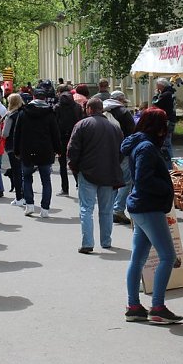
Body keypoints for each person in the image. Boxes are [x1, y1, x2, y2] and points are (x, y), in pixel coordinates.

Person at [120, 107, 183, 324]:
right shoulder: (146, 147)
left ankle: (134, 306)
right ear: (158, 127)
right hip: (148, 207)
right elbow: (145, 179)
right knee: (168, 256)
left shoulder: (140, 143)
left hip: (141, 206)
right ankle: (157, 306)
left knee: (138, 257)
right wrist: (166, 189)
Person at [67, 98, 123, 253]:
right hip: (109, 173)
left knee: (86, 209)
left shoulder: (82, 125)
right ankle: (106, 241)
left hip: (87, 172)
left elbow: (72, 150)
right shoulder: (115, 128)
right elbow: (121, 152)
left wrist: (75, 168)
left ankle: (87, 243)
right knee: (106, 210)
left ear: (89, 109)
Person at [12, 87, 60, 218]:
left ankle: (30, 205)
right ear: (45, 99)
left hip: (27, 150)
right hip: (46, 151)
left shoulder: (23, 113)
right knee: (46, 180)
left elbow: (17, 133)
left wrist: (16, 150)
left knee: (26, 177)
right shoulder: (50, 114)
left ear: (33, 97)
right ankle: (45, 209)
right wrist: (58, 150)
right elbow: (55, 134)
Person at [104, 90, 136, 225]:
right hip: (123, 151)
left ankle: (109, 208)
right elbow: (132, 133)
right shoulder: (124, 113)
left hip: (106, 151)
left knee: (112, 180)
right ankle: (118, 209)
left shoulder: (103, 109)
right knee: (126, 181)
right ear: (120, 100)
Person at [53, 88, 83, 196]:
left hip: (61, 138)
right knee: (75, 161)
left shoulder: (57, 107)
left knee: (62, 164)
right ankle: (79, 184)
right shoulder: (77, 107)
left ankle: (64, 189)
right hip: (74, 137)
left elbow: (54, 124)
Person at [2, 93, 25, 206]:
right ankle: (27, 196)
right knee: (25, 171)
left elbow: (5, 133)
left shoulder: (10, 115)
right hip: (25, 145)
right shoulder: (25, 113)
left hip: (12, 146)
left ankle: (19, 198)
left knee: (16, 172)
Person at [152, 78, 177, 170]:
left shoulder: (165, 94)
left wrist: (156, 94)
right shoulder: (172, 92)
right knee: (168, 142)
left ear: (161, 85)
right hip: (172, 120)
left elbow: (155, 104)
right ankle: (171, 163)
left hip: (166, 121)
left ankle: (169, 166)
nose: (156, 87)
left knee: (166, 144)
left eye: (157, 85)